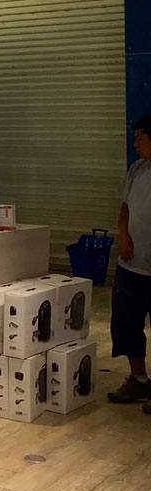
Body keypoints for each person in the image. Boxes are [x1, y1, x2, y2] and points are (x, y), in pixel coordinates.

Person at [108, 115, 151, 407]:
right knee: (126, 323)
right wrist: (123, 235)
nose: (135, 144)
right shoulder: (137, 169)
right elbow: (124, 208)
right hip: (131, 266)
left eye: (140, 138)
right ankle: (139, 380)